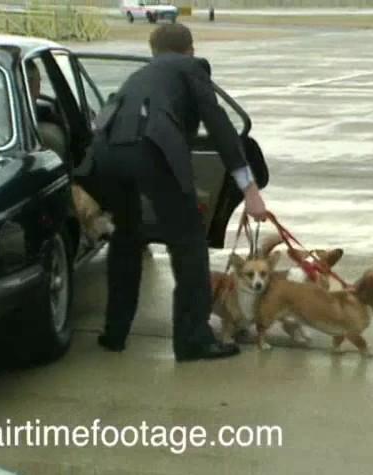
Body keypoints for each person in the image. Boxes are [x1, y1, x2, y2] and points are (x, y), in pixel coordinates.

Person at [91, 24, 268, 361]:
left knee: (126, 240)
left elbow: (106, 120)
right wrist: (249, 188)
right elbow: (219, 126)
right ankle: (193, 340)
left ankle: (114, 333)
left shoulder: (141, 76)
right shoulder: (192, 67)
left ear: (153, 50)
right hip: (154, 153)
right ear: (190, 49)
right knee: (189, 246)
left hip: (107, 154)